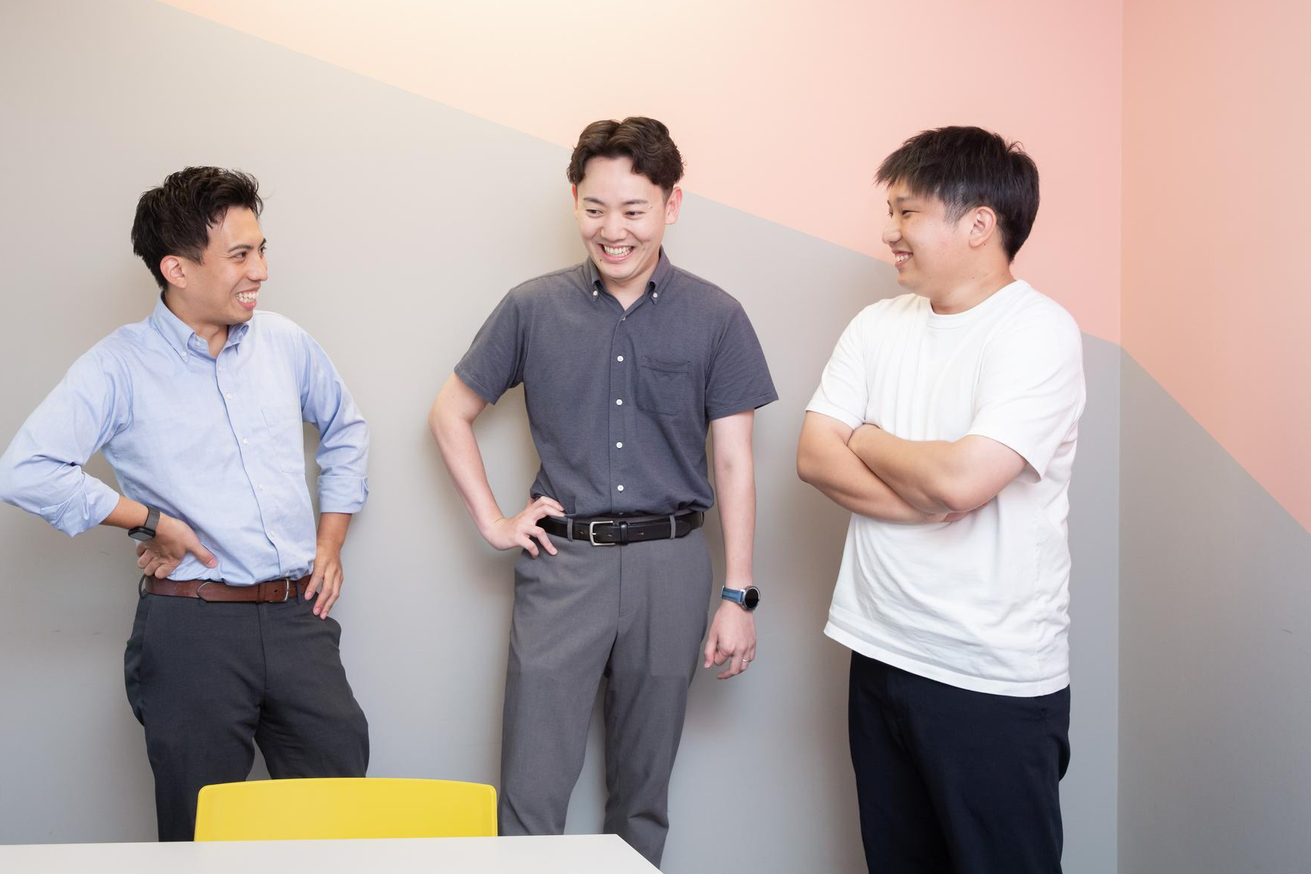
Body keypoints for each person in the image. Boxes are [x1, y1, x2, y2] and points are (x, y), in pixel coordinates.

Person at [429, 117, 777, 867]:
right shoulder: (531, 306)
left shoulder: (717, 317)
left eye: (633, 210)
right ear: (576, 203)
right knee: (530, 791)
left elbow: (734, 462)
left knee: (643, 794)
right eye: (594, 208)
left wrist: (738, 594)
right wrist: (493, 520)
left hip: (671, 567)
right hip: (563, 565)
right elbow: (448, 412)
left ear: (671, 204)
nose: (612, 230)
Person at [0, 167, 371, 840]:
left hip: (297, 619)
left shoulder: (285, 343)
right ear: (177, 269)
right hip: (193, 630)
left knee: (341, 824)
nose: (260, 270)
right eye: (240, 255)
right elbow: (24, 471)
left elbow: (346, 428)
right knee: (200, 835)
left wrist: (331, 542)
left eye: (261, 249)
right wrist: (150, 521)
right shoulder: (117, 366)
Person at [797, 126, 1085, 873]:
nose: (889, 232)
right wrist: (919, 496)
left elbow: (962, 480)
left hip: (990, 675)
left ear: (978, 224)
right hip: (880, 648)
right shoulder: (876, 325)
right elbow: (814, 455)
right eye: (891, 212)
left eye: (907, 212)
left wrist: (866, 436)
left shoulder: (1038, 333)